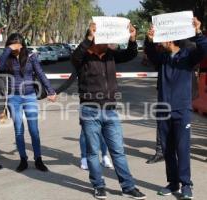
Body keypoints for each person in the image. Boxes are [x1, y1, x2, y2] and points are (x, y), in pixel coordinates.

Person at [71, 23, 146, 199]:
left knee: (118, 151)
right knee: (92, 152)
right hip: (90, 110)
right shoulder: (83, 56)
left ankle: (128, 187)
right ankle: (98, 186)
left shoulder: (111, 55)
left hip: (111, 110)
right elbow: (75, 58)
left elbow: (130, 54)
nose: (109, 42)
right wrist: (88, 38)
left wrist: (132, 38)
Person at [145, 17, 207, 199]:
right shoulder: (162, 58)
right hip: (163, 110)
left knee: (182, 148)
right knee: (167, 149)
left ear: (170, 39)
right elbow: (150, 53)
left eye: (161, 38)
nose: (159, 41)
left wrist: (198, 32)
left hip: (182, 110)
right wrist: (149, 39)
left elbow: (204, 49)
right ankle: (173, 183)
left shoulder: (188, 56)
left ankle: (186, 185)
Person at [0, 33, 57, 172]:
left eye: (15, 44)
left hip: (29, 96)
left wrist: (51, 91)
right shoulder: (7, 59)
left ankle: (38, 159)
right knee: (18, 130)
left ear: (22, 44)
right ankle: (23, 159)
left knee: (34, 130)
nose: (13, 47)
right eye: (11, 44)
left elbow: (41, 74)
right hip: (13, 98)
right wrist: (7, 50)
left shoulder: (31, 57)